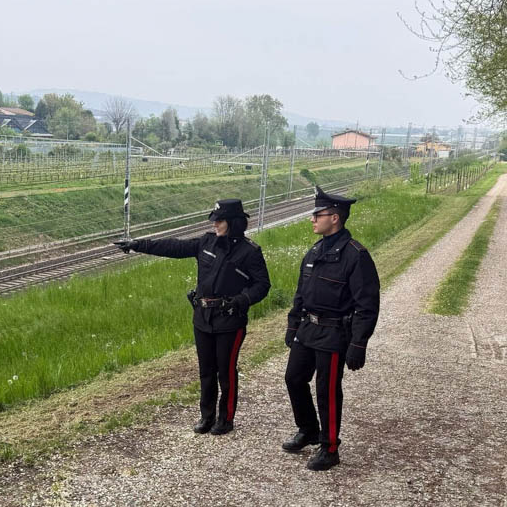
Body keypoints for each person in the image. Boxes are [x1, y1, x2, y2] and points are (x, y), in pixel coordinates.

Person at [114, 199, 270, 435]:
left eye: (219, 220)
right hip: (203, 318)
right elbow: (174, 247)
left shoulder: (250, 252)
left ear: (234, 222)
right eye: (214, 220)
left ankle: (225, 419)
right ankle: (207, 417)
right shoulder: (207, 242)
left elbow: (262, 285)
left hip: (230, 321)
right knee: (206, 371)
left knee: (226, 372)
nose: (215, 224)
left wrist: (241, 300)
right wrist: (138, 245)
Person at [283, 185, 380, 470]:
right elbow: (301, 292)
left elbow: (367, 304)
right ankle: (308, 430)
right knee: (294, 379)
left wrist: (359, 343)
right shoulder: (315, 251)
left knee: (326, 390)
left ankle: (330, 447)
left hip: (334, 333)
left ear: (334, 218)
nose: (312, 219)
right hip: (308, 329)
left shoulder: (356, 255)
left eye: (318, 215)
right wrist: (293, 325)